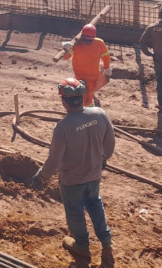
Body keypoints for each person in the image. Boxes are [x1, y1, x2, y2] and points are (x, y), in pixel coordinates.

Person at [31, 79, 116, 268]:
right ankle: (106, 241)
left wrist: (40, 178)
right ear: (84, 97)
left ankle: (82, 246)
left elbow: (53, 160)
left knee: (75, 211)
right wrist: (103, 158)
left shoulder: (62, 128)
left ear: (64, 101)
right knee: (95, 203)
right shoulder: (100, 114)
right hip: (94, 175)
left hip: (72, 181)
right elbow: (110, 144)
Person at [62, 24, 112, 107]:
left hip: (93, 76)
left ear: (94, 37)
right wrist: (66, 49)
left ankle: (88, 112)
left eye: (90, 40)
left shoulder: (99, 43)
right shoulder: (76, 44)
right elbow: (65, 57)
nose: (87, 42)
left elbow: (106, 56)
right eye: (85, 40)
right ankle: (88, 109)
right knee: (85, 96)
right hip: (79, 76)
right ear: (82, 37)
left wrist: (107, 68)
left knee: (87, 97)